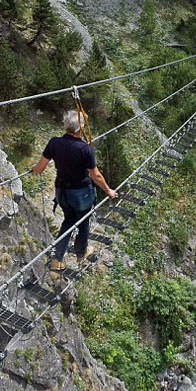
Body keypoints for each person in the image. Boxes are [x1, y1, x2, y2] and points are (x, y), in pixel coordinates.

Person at [31, 110, 116, 277]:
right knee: (83, 222)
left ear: (66, 126)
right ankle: (81, 253)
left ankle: (57, 260)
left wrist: (33, 168)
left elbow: (40, 168)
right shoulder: (85, 149)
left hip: (61, 192)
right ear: (81, 128)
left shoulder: (54, 142)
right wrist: (108, 191)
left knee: (68, 221)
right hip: (81, 194)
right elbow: (96, 176)